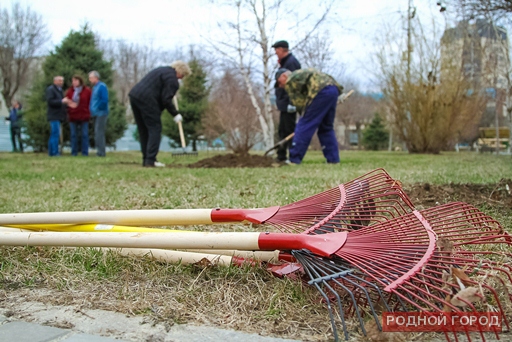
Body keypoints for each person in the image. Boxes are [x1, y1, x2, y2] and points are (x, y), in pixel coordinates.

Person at [128, 60, 191, 167]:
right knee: (155, 128)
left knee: (143, 129)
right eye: (183, 75)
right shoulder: (172, 80)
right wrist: (175, 114)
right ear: (180, 71)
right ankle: (150, 160)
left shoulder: (161, 70)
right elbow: (166, 100)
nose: (181, 78)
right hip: (148, 100)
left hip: (135, 96)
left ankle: (146, 159)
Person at [276, 68, 344, 164]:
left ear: (283, 76)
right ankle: (333, 159)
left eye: (279, 82)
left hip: (320, 91)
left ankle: (294, 158)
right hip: (333, 89)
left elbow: (299, 103)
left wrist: (304, 119)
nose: (280, 86)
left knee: (304, 124)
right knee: (326, 127)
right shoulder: (300, 74)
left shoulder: (290, 80)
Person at [272, 40, 301, 162]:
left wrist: (291, 103)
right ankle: (281, 156)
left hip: (289, 104)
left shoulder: (291, 63)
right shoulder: (285, 63)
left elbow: (294, 85)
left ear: (283, 49)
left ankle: (293, 156)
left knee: (289, 130)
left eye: (277, 50)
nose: (275, 53)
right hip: (284, 104)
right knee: (282, 130)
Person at [65, 75, 91, 156]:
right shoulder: (70, 91)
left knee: (84, 135)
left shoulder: (87, 91)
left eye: (76, 81)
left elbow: (90, 101)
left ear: (80, 81)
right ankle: (74, 152)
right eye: (73, 81)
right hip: (73, 116)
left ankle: (85, 152)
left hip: (84, 115)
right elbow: (67, 101)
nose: (74, 82)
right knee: (73, 135)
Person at [88, 71, 109, 157]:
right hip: (95, 113)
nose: (90, 80)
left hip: (101, 113)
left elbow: (104, 100)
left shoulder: (102, 86)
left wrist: (98, 108)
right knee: (97, 133)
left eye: (91, 78)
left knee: (99, 132)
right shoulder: (95, 87)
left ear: (96, 78)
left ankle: (101, 152)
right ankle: (99, 151)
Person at [46, 76, 67, 156]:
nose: (61, 82)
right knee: (55, 133)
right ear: (54, 81)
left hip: (58, 115)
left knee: (54, 134)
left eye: (62, 81)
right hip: (53, 115)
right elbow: (50, 101)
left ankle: (52, 152)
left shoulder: (60, 90)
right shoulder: (51, 90)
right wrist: (61, 101)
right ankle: (54, 152)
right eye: (59, 81)